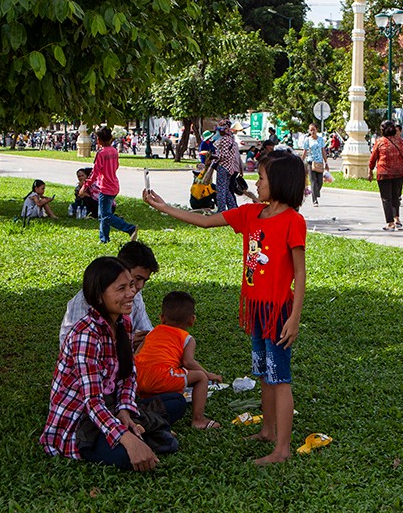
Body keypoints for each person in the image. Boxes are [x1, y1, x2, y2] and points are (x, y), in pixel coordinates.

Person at [143, 150, 307, 465]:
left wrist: (295, 317)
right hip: (257, 309)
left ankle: (282, 450)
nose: (256, 184)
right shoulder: (251, 213)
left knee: (279, 377)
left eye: (261, 178)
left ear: (281, 183)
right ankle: (268, 431)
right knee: (263, 373)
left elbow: (299, 273)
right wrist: (164, 208)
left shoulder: (293, 221)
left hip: (278, 312)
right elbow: (205, 221)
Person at [41, 257, 160, 471]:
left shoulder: (123, 322)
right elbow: (92, 402)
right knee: (127, 456)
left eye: (131, 285)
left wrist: (124, 410)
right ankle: (144, 432)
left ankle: (142, 428)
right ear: (99, 296)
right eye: (121, 288)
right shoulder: (86, 334)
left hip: (110, 405)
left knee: (176, 402)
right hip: (80, 420)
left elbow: (127, 375)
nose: (131, 293)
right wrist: (127, 438)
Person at [135, 291, 223, 429]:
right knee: (200, 377)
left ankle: (148, 405)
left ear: (162, 318)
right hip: (162, 376)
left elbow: (136, 355)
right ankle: (198, 419)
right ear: (192, 320)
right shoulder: (187, 338)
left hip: (138, 378)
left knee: (167, 376)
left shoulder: (152, 332)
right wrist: (208, 374)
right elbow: (188, 362)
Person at [60, 241, 161, 352]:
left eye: (144, 281)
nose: (139, 287)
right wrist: (125, 344)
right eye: (137, 278)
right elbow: (80, 351)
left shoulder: (126, 317)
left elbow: (147, 333)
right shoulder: (85, 313)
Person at [82, 125, 138, 243]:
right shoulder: (114, 150)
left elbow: (94, 173)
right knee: (102, 213)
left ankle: (130, 229)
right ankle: (104, 239)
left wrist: (84, 187)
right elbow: (116, 166)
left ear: (99, 140)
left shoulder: (101, 153)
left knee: (105, 215)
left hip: (105, 187)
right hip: (114, 185)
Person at [368, 120, 403, 232]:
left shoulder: (379, 142)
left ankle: (390, 223)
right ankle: (397, 219)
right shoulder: (400, 142)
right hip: (398, 173)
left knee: (386, 198)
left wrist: (370, 171)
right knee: (396, 197)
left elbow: (373, 158)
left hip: (384, 174)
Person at [213, 120, 243, 212]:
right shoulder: (231, 139)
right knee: (226, 190)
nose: (218, 132)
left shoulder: (225, 139)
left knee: (221, 190)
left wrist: (213, 157)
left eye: (219, 129)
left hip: (223, 166)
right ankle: (233, 209)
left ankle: (221, 210)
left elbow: (224, 155)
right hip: (230, 168)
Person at [302, 124, 327, 206]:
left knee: (319, 181)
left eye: (314, 129)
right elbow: (305, 152)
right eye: (311, 130)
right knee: (313, 181)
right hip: (310, 162)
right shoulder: (307, 140)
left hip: (319, 163)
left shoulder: (321, 140)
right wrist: (301, 161)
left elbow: (323, 151)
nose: (312, 131)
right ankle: (314, 200)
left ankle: (316, 192)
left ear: (317, 130)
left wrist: (326, 162)